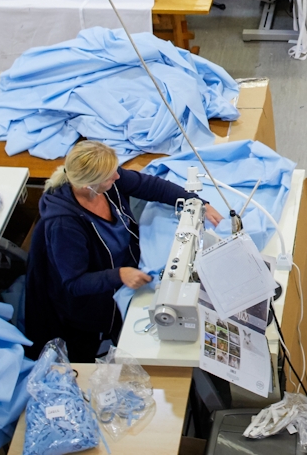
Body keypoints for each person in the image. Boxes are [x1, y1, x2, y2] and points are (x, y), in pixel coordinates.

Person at [23, 141, 223, 361]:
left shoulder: (109, 182)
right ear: (89, 185)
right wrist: (119, 275)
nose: (117, 177)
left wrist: (195, 202)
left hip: (127, 268)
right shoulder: (64, 226)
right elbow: (74, 283)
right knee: (138, 346)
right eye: (110, 177)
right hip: (95, 298)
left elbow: (150, 186)